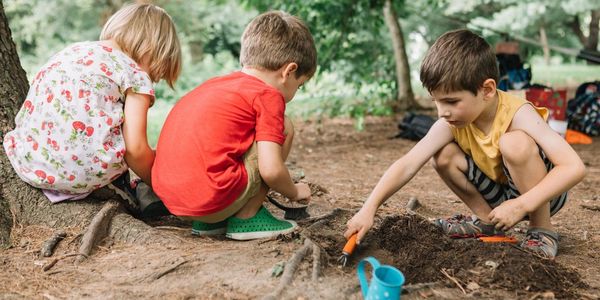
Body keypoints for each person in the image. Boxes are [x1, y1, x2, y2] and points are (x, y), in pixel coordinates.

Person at [344, 29, 586, 259]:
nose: (442, 112)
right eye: (436, 101)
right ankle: (486, 221)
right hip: (501, 194)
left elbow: (573, 167)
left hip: (541, 194)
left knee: (514, 144)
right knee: (443, 155)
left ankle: (541, 230)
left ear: (487, 90)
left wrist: (522, 204)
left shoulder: (519, 114)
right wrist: (369, 208)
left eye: (451, 101)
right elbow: (408, 163)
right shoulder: (451, 122)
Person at [151, 11, 317, 240]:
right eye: (299, 86)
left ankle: (211, 223)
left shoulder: (215, 85)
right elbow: (271, 170)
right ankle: (247, 218)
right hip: (212, 198)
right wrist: (295, 191)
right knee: (285, 127)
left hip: (174, 200)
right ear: (289, 71)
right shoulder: (268, 95)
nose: (295, 93)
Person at [3, 4, 181, 205]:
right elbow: (136, 150)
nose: (152, 78)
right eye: (157, 72)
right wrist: (162, 187)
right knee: (148, 159)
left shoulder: (73, 51)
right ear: (156, 50)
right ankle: (131, 192)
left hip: (29, 161)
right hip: (82, 174)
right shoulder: (134, 73)